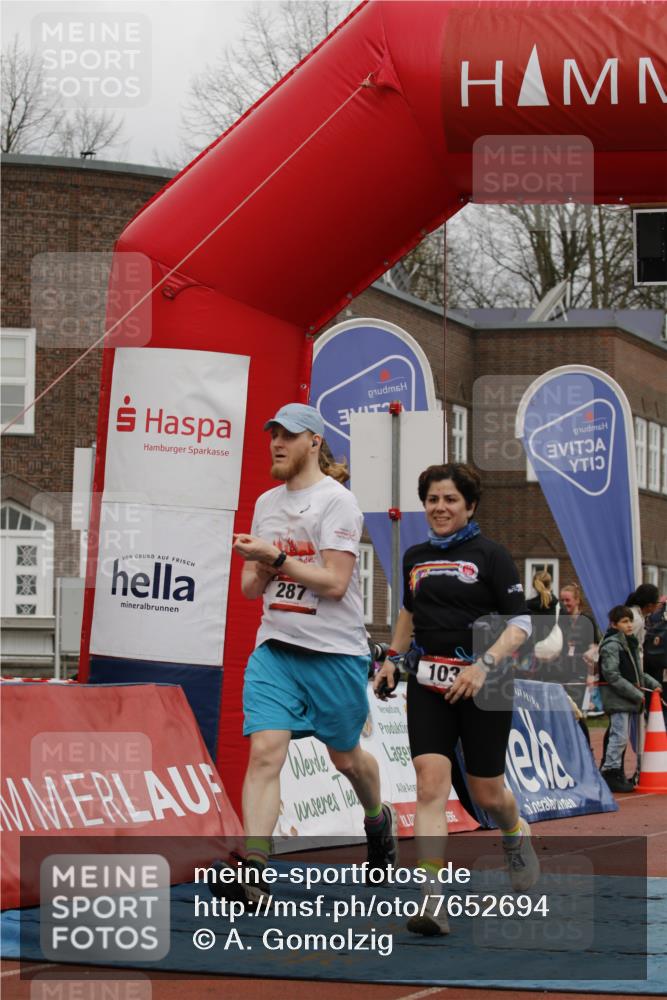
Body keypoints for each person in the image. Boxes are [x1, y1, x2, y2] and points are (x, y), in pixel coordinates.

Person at [222, 403, 396, 902]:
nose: (277, 443)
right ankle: (254, 868)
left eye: (289, 435)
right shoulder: (265, 502)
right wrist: (257, 567)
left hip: (334, 654)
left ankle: (376, 820)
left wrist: (276, 557)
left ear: (314, 442)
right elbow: (251, 590)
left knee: (347, 759)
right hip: (276, 648)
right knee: (264, 755)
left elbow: (337, 584)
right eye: (272, 433)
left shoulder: (336, 501)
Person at [373, 463, 537, 937]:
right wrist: (393, 659)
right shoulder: (415, 555)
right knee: (429, 783)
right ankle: (432, 900)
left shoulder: (492, 555)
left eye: (449, 500)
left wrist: (482, 666)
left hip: (487, 684)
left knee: (488, 793)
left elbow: (520, 624)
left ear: (470, 506)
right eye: (432, 500)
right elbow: (407, 611)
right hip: (429, 683)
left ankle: (513, 834)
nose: (440, 508)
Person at [598, 604, 660, 793]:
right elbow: (612, 674)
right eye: (624, 621)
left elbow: (637, 673)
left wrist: (652, 683)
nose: (629, 625)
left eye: (630, 621)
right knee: (619, 736)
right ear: (614, 624)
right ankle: (610, 771)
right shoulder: (612, 646)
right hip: (617, 699)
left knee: (620, 737)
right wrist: (636, 694)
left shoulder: (629, 643)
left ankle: (615, 770)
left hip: (625, 699)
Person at [557, 583, 600, 710]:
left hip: (579, 671)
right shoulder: (560, 620)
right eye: (562, 600)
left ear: (577, 600)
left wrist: (590, 675)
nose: (564, 603)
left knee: (575, 709)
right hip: (561, 671)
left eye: (568, 600)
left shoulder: (587, 620)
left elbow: (594, 647)